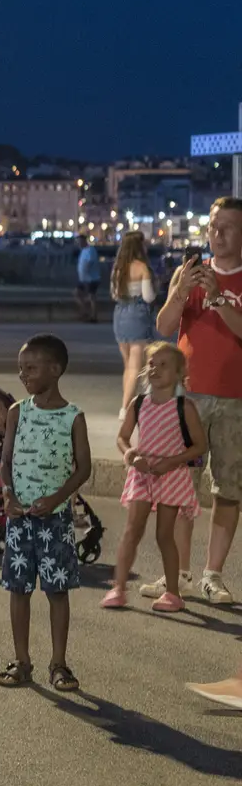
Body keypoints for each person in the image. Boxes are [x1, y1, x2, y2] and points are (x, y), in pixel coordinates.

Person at [154, 196, 242, 607]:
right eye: (212, 225)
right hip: (187, 397)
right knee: (180, 485)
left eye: (226, 226)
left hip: (235, 400)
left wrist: (220, 299)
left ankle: (213, 575)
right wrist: (180, 292)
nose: (217, 233)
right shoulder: (189, 272)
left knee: (228, 488)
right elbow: (165, 325)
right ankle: (179, 575)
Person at [0, 334, 91, 692]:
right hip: (19, 519)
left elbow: (83, 468)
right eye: (21, 369)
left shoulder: (73, 417)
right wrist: (8, 495)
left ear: (56, 369)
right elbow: (5, 462)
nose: (24, 375)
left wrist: (58, 499)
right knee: (18, 590)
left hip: (56, 520)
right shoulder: (17, 412)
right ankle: (22, 661)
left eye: (31, 368)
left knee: (57, 590)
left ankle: (59, 664)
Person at [103, 343, 204, 612]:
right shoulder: (139, 404)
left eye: (163, 365)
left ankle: (172, 593)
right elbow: (123, 438)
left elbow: (199, 446)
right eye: (151, 364)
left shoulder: (185, 407)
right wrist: (131, 456)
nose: (155, 369)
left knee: (164, 534)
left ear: (179, 373)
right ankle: (119, 588)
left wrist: (171, 462)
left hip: (171, 475)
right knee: (131, 530)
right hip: (142, 472)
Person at [110, 230, 157, 408]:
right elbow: (148, 297)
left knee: (128, 366)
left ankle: (131, 402)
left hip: (120, 314)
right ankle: (126, 407)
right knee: (135, 366)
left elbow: (114, 294)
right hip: (137, 315)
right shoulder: (142, 267)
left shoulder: (118, 268)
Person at [75, 233, 103, 323]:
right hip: (84, 279)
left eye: (79, 242)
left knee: (92, 297)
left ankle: (93, 316)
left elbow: (89, 262)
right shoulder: (83, 251)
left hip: (92, 279)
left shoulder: (91, 250)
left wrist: (85, 271)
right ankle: (86, 313)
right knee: (77, 293)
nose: (78, 244)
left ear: (83, 241)